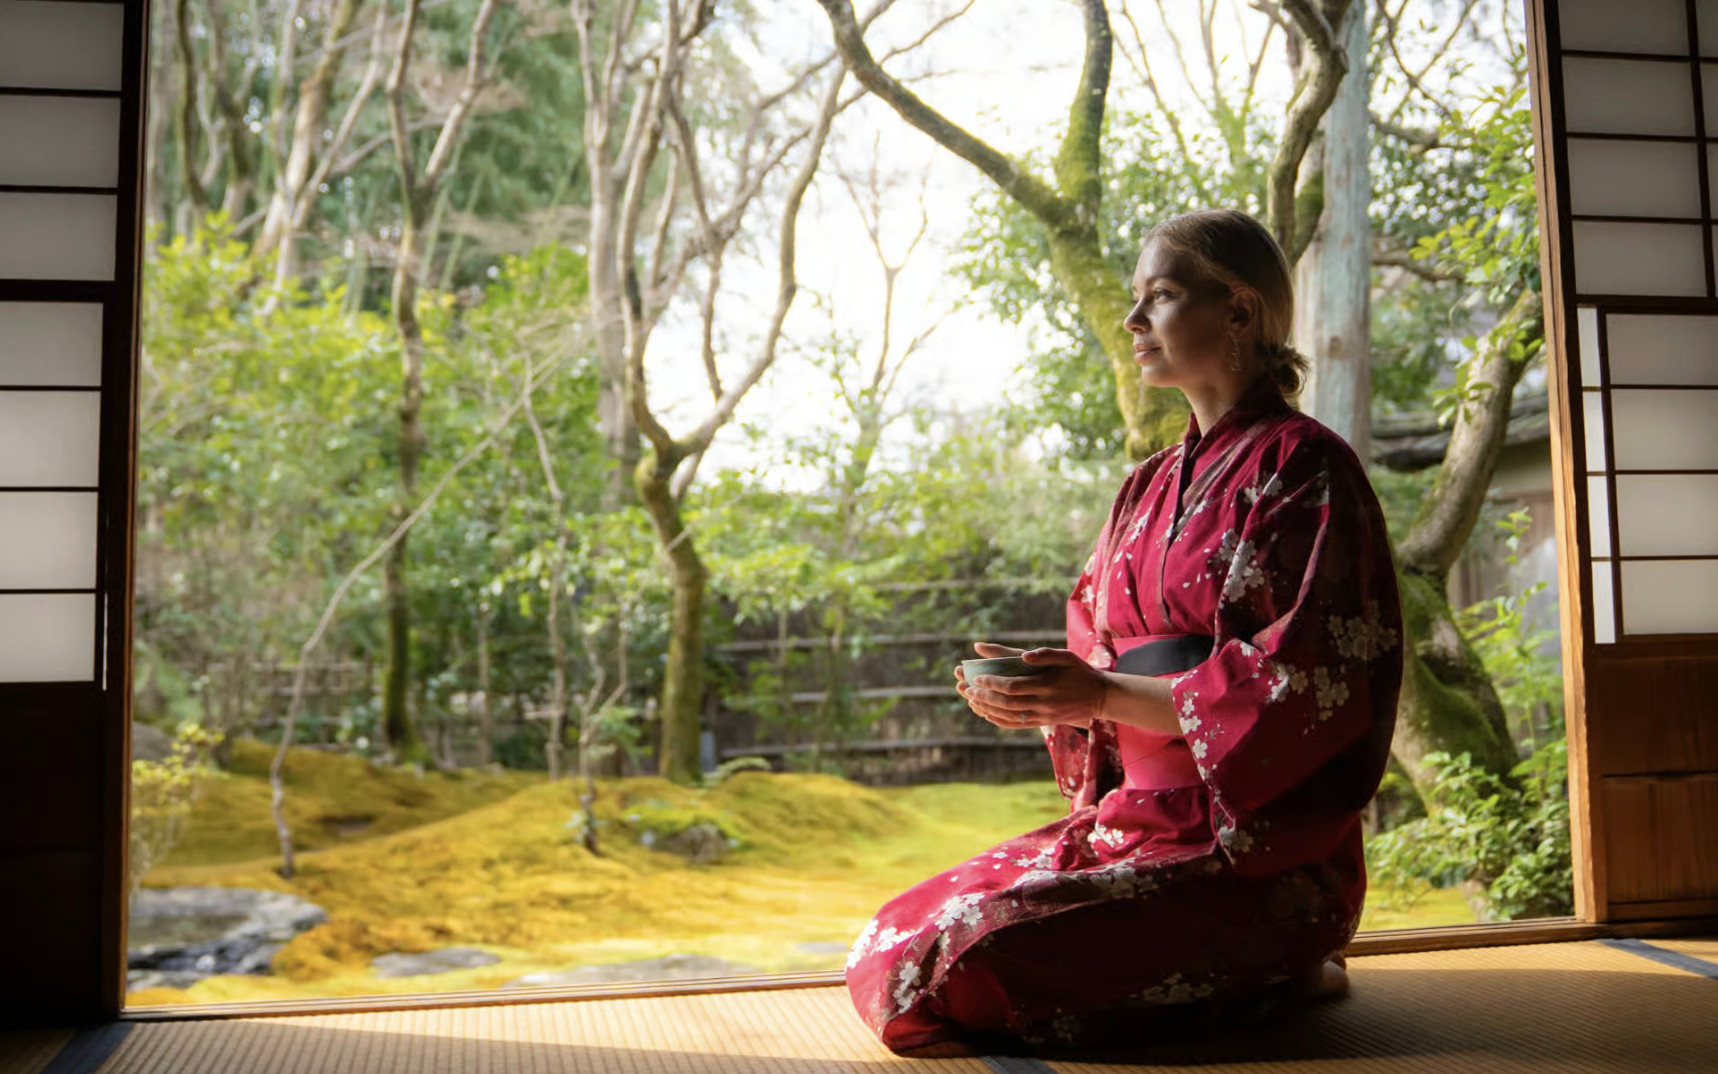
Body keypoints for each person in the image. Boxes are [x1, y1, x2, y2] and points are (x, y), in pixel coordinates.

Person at [843, 208, 1404, 1056]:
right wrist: (1049, 691)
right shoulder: (1146, 485)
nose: (1133, 321)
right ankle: (1239, 984)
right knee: (890, 944)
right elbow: (1096, 644)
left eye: (1162, 297)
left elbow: (1308, 682)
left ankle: (1280, 961)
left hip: (1245, 851)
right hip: (1131, 821)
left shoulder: (1304, 466)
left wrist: (1101, 692)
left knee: (968, 962)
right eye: (1136, 300)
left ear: (1241, 312)